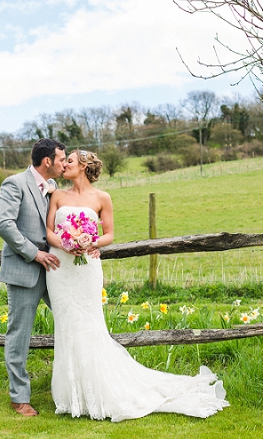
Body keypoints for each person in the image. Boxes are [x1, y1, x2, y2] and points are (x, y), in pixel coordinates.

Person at [45, 150, 229, 422]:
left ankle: (100, 390)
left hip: (86, 270)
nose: (64, 166)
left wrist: (90, 243)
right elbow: (49, 231)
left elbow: (109, 234)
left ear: (83, 166)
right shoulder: (57, 196)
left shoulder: (102, 198)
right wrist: (67, 244)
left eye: (69, 161)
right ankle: (72, 395)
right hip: (60, 268)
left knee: (90, 326)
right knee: (67, 325)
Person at [0, 138, 67, 417]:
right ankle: (19, 398)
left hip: (55, 272)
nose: (64, 164)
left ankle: (73, 384)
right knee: (19, 334)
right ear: (47, 161)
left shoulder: (54, 187)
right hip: (25, 270)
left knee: (72, 319)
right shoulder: (14, 183)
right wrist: (34, 253)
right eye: (61, 159)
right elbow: (3, 224)